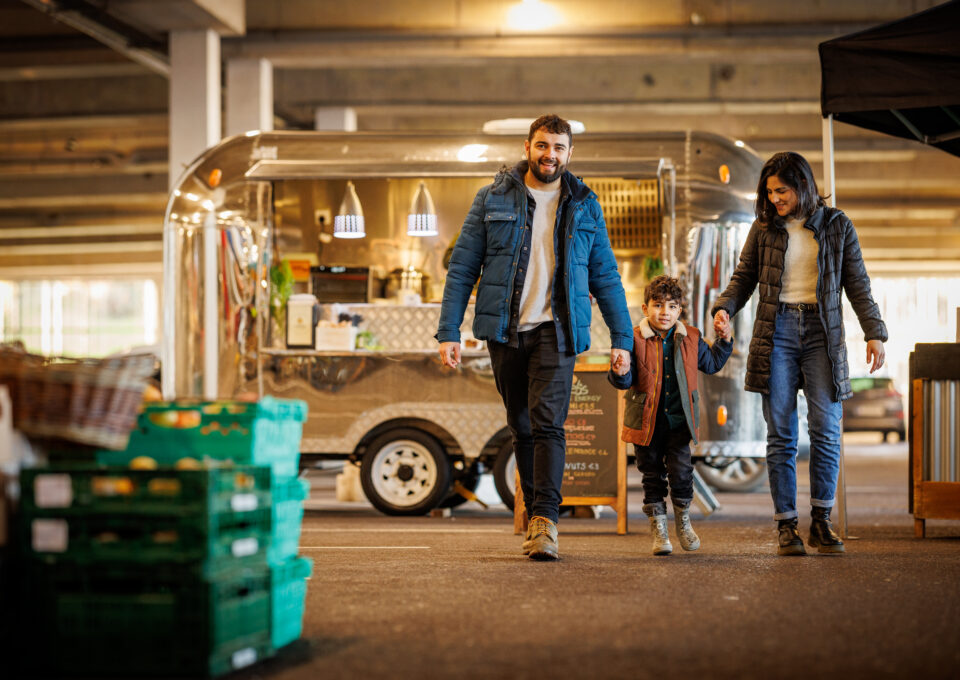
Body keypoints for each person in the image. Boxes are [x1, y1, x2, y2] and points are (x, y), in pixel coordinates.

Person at [436, 114, 633, 560]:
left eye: (559, 147)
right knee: (521, 425)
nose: (551, 155)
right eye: (543, 146)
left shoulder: (584, 204)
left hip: (556, 329)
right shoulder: (491, 198)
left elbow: (605, 275)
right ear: (528, 147)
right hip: (505, 331)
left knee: (548, 424)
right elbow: (463, 268)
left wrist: (622, 337)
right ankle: (534, 515)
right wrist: (449, 330)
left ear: (569, 153)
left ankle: (546, 521)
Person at [711, 151, 887, 556]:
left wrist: (874, 332)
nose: (775, 199)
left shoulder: (838, 226)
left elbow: (858, 283)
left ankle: (821, 522)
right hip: (777, 333)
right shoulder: (764, 228)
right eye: (770, 192)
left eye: (782, 190)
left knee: (826, 429)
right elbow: (744, 277)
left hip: (823, 335)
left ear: (803, 185)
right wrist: (724, 306)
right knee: (781, 434)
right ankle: (786, 526)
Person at [608, 275, 733, 555]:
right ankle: (659, 531)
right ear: (645, 308)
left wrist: (724, 340)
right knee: (651, 477)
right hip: (645, 423)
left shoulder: (691, 336)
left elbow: (711, 364)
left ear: (680, 311)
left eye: (672, 306)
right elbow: (624, 381)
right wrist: (619, 371)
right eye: (658, 305)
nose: (664, 312)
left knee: (681, 473)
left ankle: (683, 522)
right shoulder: (633, 338)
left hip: (679, 422)